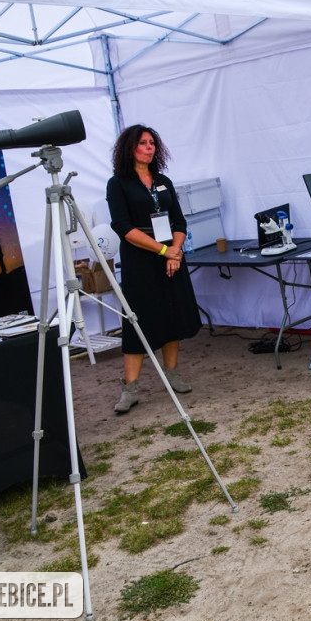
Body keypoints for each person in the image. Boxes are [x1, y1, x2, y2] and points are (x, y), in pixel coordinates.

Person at [106, 125, 201, 414]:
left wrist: (176, 251)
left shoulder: (163, 181)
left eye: (152, 143)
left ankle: (171, 374)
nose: (150, 148)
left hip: (171, 255)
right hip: (141, 259)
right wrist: (163, 250)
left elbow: (179, 221)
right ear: (129, 148)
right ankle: (130, 388)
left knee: (171, 314)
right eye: (143, 143)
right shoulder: (119, 183)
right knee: (138, 321)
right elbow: (123, 227)